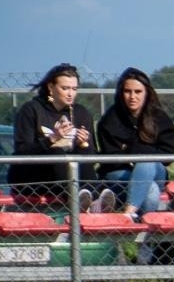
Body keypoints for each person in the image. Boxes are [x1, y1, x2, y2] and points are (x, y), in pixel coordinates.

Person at [9, 62, 107, 207]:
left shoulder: (81, 113)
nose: (70, 94)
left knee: (81, 160)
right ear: (51, 87)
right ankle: (81, 200)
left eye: (74, 89)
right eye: (65, 88)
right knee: (56, 151)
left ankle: (93, 199)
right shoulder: (31, 110)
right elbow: (23, 151)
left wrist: (82, 145)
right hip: (35, 176)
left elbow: (91, 155)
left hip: (71, 178)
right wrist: (52, 139)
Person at [95, 67, 174, 220]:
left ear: (146, 92)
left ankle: (127, 214)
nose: (132, 96)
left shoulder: (159, 118)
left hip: (155, 171)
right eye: (127, 91)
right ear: (121, 93)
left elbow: (167, 156)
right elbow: (110, 158)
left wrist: (132, 151)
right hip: (120, 174)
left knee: (146, 162)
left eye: (138, 92)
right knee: (151, 189)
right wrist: (142, 153)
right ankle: (144, 238)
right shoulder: (110, 119)